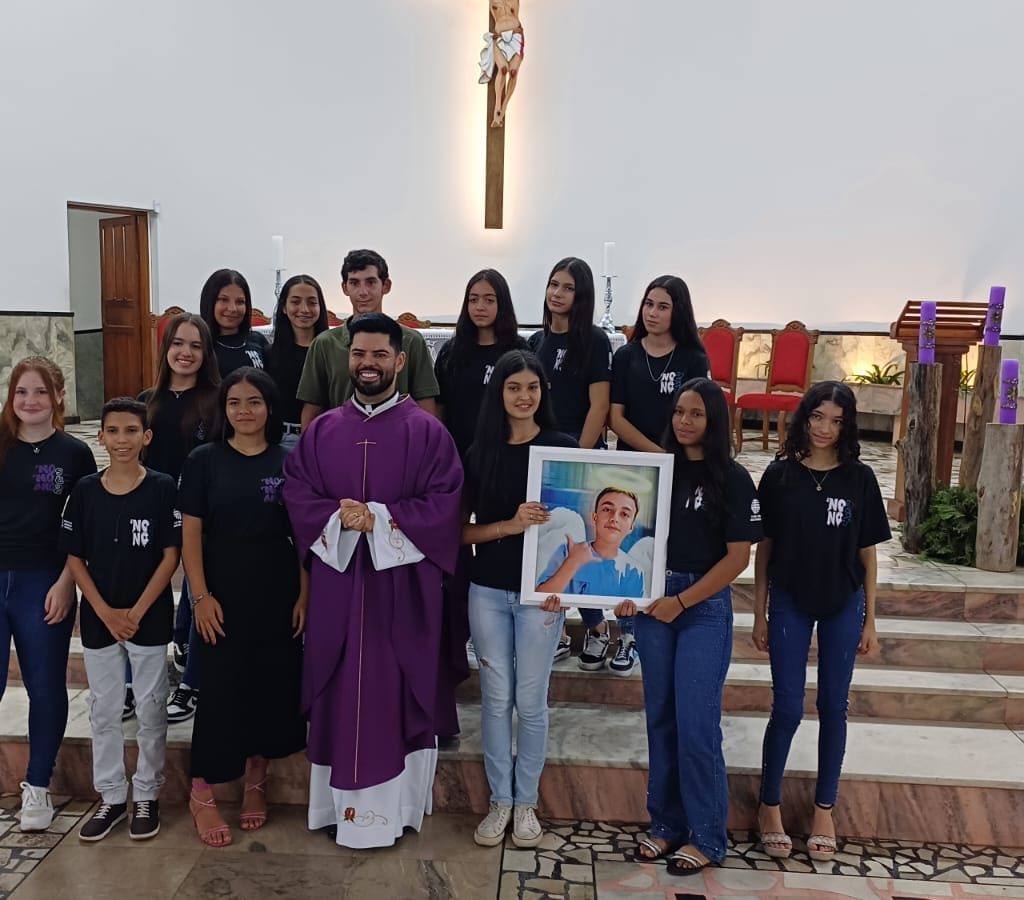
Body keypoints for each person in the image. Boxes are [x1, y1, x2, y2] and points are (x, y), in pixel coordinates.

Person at [283, 313, 463, 849]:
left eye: (380, 355)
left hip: (400, 594)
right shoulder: (323, 431)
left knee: (394, 689)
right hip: (339, 590)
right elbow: (298, 493)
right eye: (360, 354)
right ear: (348, 358)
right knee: (339, 690)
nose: (368, 364)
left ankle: (395, 812)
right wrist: (340, 519)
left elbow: (446, 504)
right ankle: (335, 810)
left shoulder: (428, 432)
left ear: (400, 361)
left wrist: (380, 519)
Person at [622, 378, 760, 874]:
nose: (684, 421)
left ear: (714, 421)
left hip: (701, 607)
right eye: (679, 411)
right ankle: (665, 823)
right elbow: (633, 540)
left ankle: (707, 836)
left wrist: (681, 601)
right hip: (654, 604)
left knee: (697, 726)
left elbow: (738, 558)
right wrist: (625, 592)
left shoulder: (733, 478)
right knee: (660, 719)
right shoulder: (657, 471)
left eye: (696, 414)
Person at [753, 381, 889, 862]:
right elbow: (764, 549)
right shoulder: (779, 476)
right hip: (790, 600)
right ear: (804, 418)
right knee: (788, 707)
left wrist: (871, 620)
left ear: (847, 426)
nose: (825, 428)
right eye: (817, 417)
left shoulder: (860, 479)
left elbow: (867, 554)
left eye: (836, 420)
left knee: (834, 705)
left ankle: (824, 810)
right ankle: (769, 806)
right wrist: (759, 612)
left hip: (843, 603)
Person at [178, 368, 307, 848]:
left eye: (254, 402)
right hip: (221, 595)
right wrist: (200, 596)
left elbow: (303, 537)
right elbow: (191, 534)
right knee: (219, 692)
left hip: (277, 591)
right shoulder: (204, 460)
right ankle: (201, 791)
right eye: (234, 402)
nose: (244, 411)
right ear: (223, 409)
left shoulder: (288, 461)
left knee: (269, 688)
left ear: (270, 408)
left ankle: (256, 779)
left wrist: (305, 595)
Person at [461, 349, 574, 848]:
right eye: (513, 388)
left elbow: (580, 532)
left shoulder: (562, 449)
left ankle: (525, 802)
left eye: (532, 387)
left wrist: (567, 587)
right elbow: (459, 533)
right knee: (494, 700)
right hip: (487, 591)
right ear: (499, 393)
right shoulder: (480, 452)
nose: (523, 397)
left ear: (543, 392)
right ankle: (499, 801)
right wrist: (510, 525)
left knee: (530, 701)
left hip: (540, 599)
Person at [62, 398, 180, 842]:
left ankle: (147, 792)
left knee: (150, 707)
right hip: (100, 617)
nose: (122, 439)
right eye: (113, 431)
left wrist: (135, 612)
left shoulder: (163, 488)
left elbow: (170, 557)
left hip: (147, 616)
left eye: (131, 430)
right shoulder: (85, 491)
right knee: (105, 709)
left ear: (146, 437)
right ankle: (111, 795)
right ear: (101, 436)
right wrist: (105, 611)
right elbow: (75, 558)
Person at [0, 357, 96, 832]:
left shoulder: (74, 454)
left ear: (59, 396)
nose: (30, 401)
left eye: (40, 391)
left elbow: (82, 526)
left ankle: (37, 786)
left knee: (44, 685)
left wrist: (66, 581)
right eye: (22, 392)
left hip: (44, 582)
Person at [527, 257, 613, 667]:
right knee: (549, 546)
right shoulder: (535, 343)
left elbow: (599, 406)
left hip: (580, 454)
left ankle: (599, 628)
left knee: (580, 543)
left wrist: (576, 456)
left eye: (567, 288)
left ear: (582, 297)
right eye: (553, 285)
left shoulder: (594, 341)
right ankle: (558, 630)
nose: (557, 294)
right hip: (542, 453)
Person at [138, 313, 220, 726]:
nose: (186, 353)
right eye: (178, 344)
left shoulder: (216, 400)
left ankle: (193, 684)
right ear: (165, 348)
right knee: (144, 590)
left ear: (206, 353)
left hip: (198, 513)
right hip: (152, 510)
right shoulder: (146, 400)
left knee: (199, 591)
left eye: (195, 346)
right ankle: (138, 681)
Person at [296, 249, 440, 428]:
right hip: (340, 438)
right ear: (345, 288)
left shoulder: (411, 341)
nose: (363, 292)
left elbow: (425, 405)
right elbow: (312, 409)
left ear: (386, 286)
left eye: (371, 282)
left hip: (397, 438)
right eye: (354, 283)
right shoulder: (325, 344)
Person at [434, 268, 529, 459]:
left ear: (502, 304)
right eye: (473, 300)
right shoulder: (451, 352)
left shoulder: (518, 351)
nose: (479, 307)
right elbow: (439, 405)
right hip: (457, 452)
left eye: (489, 300)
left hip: (502, 453)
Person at [610, 275, 710, 453]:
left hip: (679, 455)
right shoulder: (625, 356)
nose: (652, 313)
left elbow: (700, 415)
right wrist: (658, 455)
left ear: (678, 311)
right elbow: (615, 417)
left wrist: (672, 457)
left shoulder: (694, 359)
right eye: (648, 304)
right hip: (632, 455)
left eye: (662, 307)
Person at [536, 488, 645, 599]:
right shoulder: (568, 552)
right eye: (607, 509)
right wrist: (573, 562)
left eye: (624, 514)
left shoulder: (634, 572)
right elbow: (540, 597)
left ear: (631, 527)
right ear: (594, 517)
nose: (614, 518)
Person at [264, 274, 329, 451]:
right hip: (278, 439)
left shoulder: (330, 353)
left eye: (312, 302)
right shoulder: (269, 354)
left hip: (321, 439)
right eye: (295, 302)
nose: (304, 309)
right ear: (284, 307)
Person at [199, 269, 269, 377]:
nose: (233, 308)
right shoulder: (200, 345)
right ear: (209, 302)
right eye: (224, 300)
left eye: (240, 302)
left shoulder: (257, 340)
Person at [478, 0, 524, 128]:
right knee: (503, 69)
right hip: (499, 36)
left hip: (516, 35)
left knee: (513, 73)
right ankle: (497, 105)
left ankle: (504, 108)